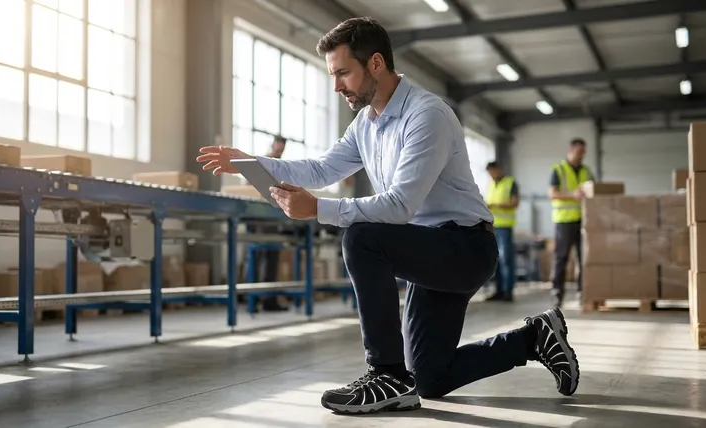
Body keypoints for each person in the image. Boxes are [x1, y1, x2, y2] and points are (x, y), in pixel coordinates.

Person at [198, 17, 579, 415]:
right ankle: (533, 338)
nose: (336, 86)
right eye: (332, 75)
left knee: (361, 237)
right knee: (432, 378)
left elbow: (399, 206)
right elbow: (322, 170)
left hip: (465, 247)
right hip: (427, 247)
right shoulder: (365, 124)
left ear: (376, 63)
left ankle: (386, 375)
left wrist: (319, 209)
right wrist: (248, 162)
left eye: (343, 72)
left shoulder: (427, 115)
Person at [549, 138, 593, 307]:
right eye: (579, 151)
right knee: (561, 258)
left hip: (583, 220)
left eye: (584, 152)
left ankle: (583, 292)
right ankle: (557, 293)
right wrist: (573, 195)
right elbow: (552, 194)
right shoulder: (558, 169)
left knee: (584, 258)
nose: (582, 155)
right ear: (571, 150)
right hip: (564, 221)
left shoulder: (587, 171)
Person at [250, 135, 289, 312]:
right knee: (262, 256)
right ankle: (260, 298)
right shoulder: (263, 163)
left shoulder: (281, 165)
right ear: (272, 145)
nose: (279, 150)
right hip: (262, 215)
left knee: (270, 257)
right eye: (277, 147)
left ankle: (266, 298)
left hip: (273, 215)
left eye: (281, 148)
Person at [484, 161, 519, 302]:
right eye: (489, 173)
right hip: (491, 226)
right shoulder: (490, 185)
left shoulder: (510, 183)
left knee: (506, 259)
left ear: (499, 169)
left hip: (505, 226)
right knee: (495, 260)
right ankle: (498, 290)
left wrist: (495, 205)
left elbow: (514, 203)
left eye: (493, 171)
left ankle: (508, 291)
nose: (491, 175)